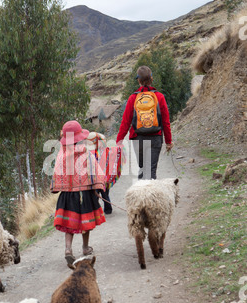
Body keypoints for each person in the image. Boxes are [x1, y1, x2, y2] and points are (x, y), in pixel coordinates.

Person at [50, 120, 106, 264]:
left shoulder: (61, 154)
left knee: (70, 223)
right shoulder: (85, 152)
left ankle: (68, 249)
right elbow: (94, 172)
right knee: (85, 222)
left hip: (68, 195)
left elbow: (57, 174)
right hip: (85, 193)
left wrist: (56, 188)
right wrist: (97, 187)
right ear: (79, 137)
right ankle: (85, 247)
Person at [116, 65, 173, 180]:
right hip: (155, 138)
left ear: (138, 80)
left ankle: (140, 194)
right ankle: (149, 195)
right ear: (151, 79)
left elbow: (125, 121)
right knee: (151, 171)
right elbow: (166, 122)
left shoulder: (133, 98)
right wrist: (168, 141)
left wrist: (119, 140)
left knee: (142, 169)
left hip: (138, 139)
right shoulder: (159, 97)